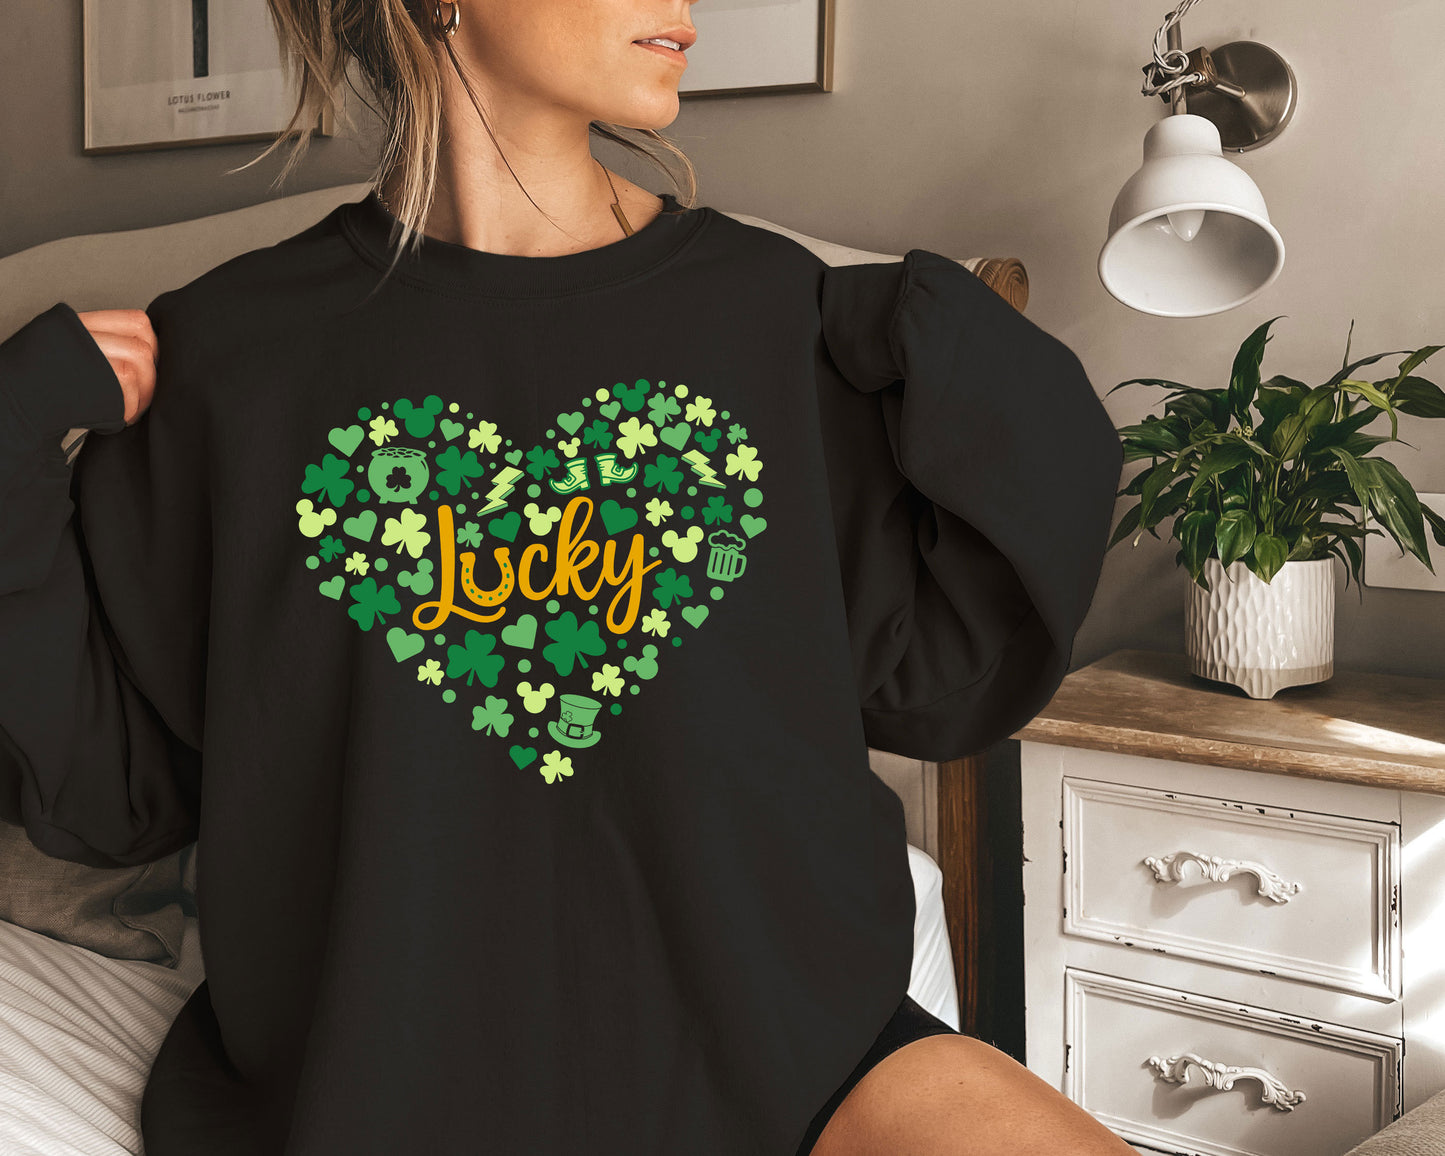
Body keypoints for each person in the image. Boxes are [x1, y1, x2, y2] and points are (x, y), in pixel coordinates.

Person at [0, 1, 1130, 1153]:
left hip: (802, 1056)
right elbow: (111, 791)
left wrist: (945, 344)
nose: (683, 5)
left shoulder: (779, 320)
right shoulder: (230, 363)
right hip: (384, 1092)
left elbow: (943, 688)